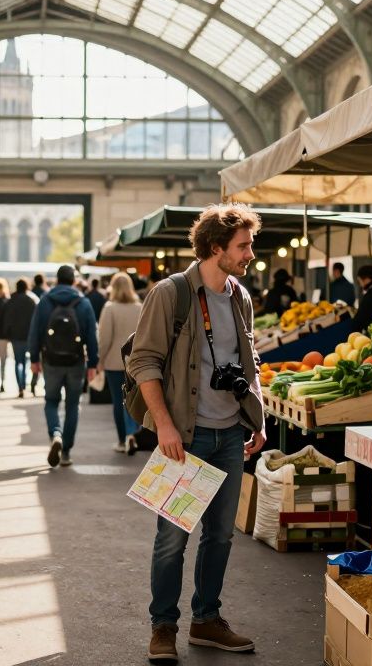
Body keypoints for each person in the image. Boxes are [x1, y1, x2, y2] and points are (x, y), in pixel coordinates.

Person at [128, 203, 267, 661]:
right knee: (173, 539)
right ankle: (163, 627)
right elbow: (144, 361)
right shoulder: (172, 293)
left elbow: (250, 362)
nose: (250, 254)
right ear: (215, 248)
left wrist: (258, 417)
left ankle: (206, 619)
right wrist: (165, 426)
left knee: (221, 536)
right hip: (185, 438)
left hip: (231, 435)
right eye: (243, 246)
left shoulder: (240, 297)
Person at [28, 265, 99, 468]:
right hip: (76, 361)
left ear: (57, 279)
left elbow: (35, 332)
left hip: (51, 360)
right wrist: (92, 364)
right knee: (72, 405)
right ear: (74, 281)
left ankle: (55, 434)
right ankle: (66, 451)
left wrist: (34, 359)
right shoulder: (83, 303)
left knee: (51, 401)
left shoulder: (45, 301)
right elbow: (91, 336)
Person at [96, 273, 142, 454]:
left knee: (118, 401)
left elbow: (104, 339)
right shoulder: (140, 307)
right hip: (136, 361)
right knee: (136, 400)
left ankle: (123, 440)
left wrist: (100, 360)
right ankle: (134, 433)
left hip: (114, 362)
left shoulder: (109, 308)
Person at [5, 279, 40, 398]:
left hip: (15, 335)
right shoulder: (31, 300)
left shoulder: (11, 300)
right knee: (27, 361)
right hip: (28, 335)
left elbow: (8, 319)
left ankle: (20, 387)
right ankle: (27, 384)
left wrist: (8, 333)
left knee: (18, 361)